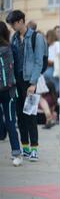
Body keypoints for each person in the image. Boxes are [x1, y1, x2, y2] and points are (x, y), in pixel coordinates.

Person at [6, 10, 45, 162]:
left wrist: (33, 83)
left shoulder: (36, 37)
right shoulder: (14, 38)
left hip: (30, 81)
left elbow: (39, 61)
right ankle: (25, 148)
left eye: (14, 23)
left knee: (31, 115)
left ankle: (34, 148)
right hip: (17, 82)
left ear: (21, 21)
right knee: (20, 116)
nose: (12, 27)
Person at [0, 21, 22, 166]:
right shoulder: (12, 48)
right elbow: (18, 69)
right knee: (11, 122)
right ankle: (16, 154)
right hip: (10, 90)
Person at [44, 29, 60, 95]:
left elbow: (58, 56)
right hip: (50, 67)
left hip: (55, 67)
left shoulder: (57, 44)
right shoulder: (49, 47)